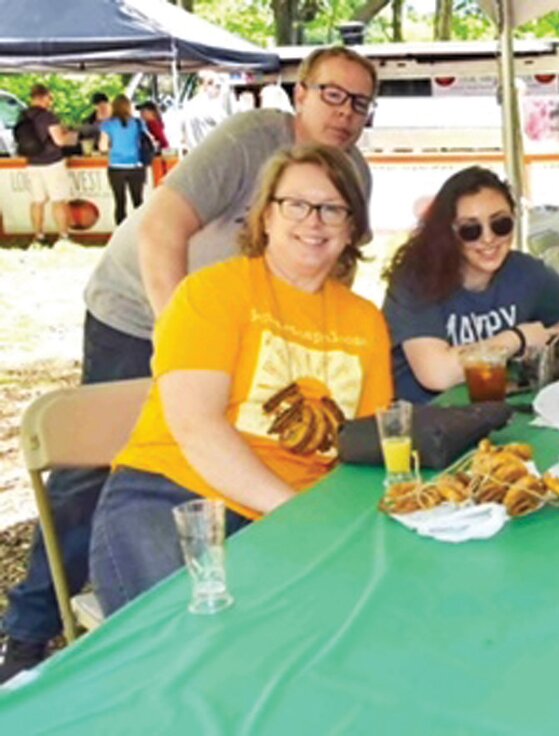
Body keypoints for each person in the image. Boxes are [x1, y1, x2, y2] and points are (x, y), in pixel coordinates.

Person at [0, 46, 378, 684]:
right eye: (331, 94)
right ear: (301, 93)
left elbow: (331, 282)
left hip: (234, 333)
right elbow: (161, 227)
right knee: (85, 478)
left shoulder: (354, 176)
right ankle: (29, 633)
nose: (344, 112)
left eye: (360, 102)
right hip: (141, 307)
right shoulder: (249, 139)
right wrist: (181, 337)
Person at [89, 144, 393, 615]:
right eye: (296, 204)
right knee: (180, 644)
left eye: (332, 209)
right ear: (265, 217)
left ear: (351, 228)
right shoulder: (210, 293)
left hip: (295, 512)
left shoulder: (365, 321)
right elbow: (196, 427)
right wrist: (297, 515)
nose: (313, 221)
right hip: (176, 493)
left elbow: (364, 448)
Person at [383, 167, 559, 403]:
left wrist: (546, 338)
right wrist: (517, 340)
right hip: (426, 423)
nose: (488, 238)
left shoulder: (525, 271)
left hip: (499, 414)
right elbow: (437, 374)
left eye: (500, 224)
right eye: (470, 230)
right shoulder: (416, 278)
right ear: (448, 233)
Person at [17, 84, 78, 250]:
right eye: (50, 98)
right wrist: (70, 136)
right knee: (58, 200)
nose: (51, 102)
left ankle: (38, 236)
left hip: (32, 163)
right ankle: (63, 236)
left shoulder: (23, 115)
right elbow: (59, 141)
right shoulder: (48, 117)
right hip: (52, 163)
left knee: (37, 201)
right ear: (43, 97)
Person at [98, 95, 150, 226]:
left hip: (116, 166)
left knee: (120, 201)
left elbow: (102, 147)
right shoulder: (138, 123)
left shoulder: (107, 124)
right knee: (138, 201)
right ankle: (140, 230)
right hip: (136, 166)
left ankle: (120, 233)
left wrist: (112, 146)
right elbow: (149, 140)